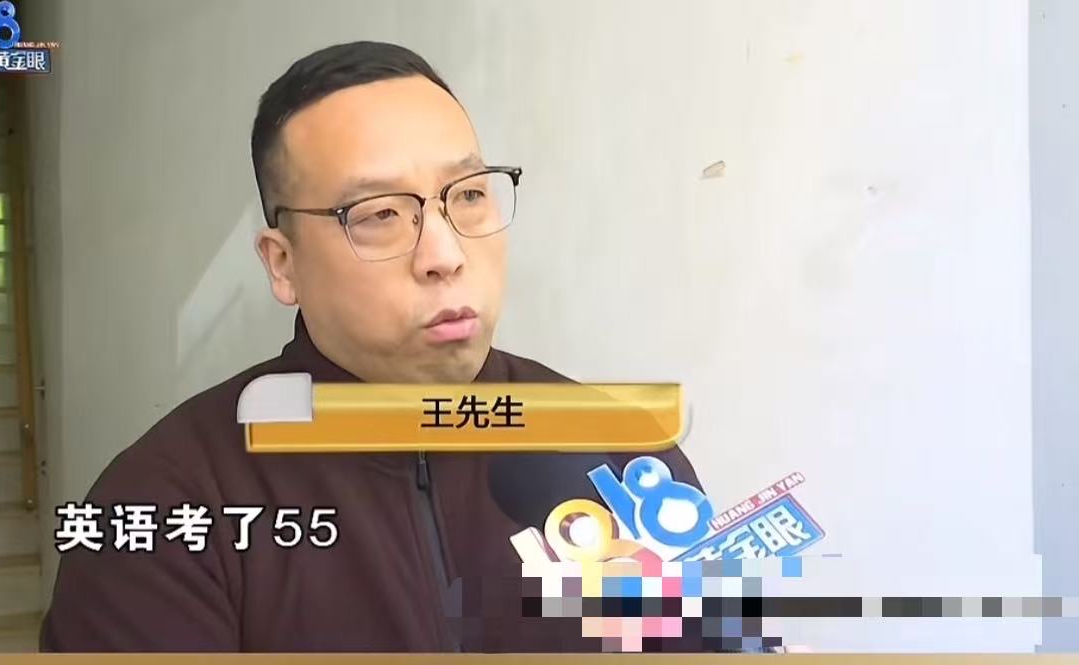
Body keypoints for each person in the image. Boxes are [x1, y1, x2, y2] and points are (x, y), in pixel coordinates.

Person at [40, 41, 706, 652]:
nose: (444, 254)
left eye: (469, 195)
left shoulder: (623, 456)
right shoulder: (165, 508)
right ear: (283, 264)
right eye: (381, 213)